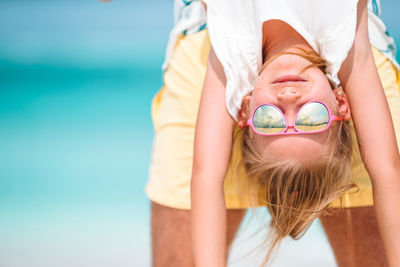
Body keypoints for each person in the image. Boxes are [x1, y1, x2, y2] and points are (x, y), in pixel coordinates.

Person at [146, 0, 400, 266]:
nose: (289, 99)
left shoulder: (233, 53)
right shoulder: (348, 46)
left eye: (268, 119)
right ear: (342, 101)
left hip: (204, 30)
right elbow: (387, 171)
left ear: (242, 109)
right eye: (313, 117)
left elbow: (206, 177)